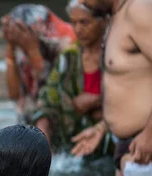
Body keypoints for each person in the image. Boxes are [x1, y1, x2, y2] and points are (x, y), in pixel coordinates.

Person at [82, 0, 152, 176]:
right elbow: (131, 83)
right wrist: (104, 127)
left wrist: (151, 134)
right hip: (129, 148)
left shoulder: (139, 9)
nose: (82, 1)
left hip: (148, 147)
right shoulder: (116, 16)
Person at [34, 0, 111, 156]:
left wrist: (97, 100)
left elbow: (135, 92)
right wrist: (43, 141)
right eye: (74, 23)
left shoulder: (115, 54)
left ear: (103, 21)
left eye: (84, 22)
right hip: (77, 142)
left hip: (112, 138)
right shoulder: (69, 56)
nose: (78, 29)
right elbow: (48, 99)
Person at [2, 4, 77, 126]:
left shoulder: (64, 43)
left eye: (21, 31)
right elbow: (13, 94)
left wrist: (32, 49)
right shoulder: (21, 48)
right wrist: (10, 47)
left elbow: (52, 89)